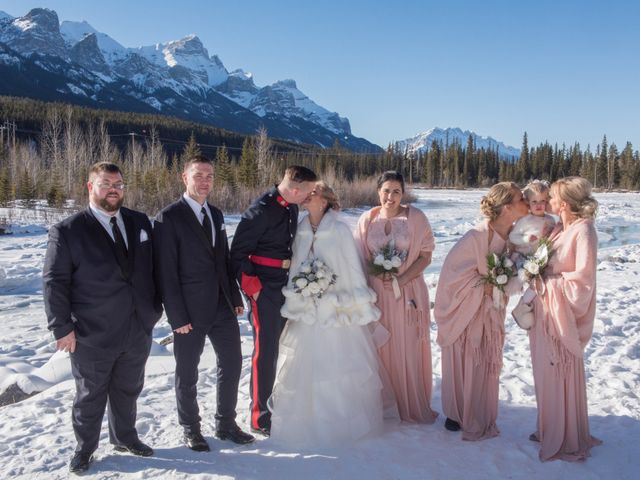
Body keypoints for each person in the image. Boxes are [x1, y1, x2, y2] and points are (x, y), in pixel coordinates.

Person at [43, 162, 163, 474]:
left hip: (137, 327)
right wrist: (61, 327)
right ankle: (85, 449)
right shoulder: (67, 231)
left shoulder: (139, 222)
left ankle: (125, 437)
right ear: (90, 187)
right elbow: (55, 282)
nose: (114, 189)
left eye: (119, 184)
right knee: (90, 395)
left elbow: (154, 269)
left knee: (128, 388)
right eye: (106, 183)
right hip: (91, 332)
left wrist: (154, 310)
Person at [269, 182, 384, 447]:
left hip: (334, 309)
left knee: (336, 363)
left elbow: (351, 268)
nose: (307, 196)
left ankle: (339, 424)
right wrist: (302, 288)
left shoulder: (340, 230)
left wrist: (344, 295)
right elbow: (296, 264)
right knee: (303, 365)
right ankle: (304, 421)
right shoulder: (299, 228)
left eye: (313, 193)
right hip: (307, 309)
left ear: (325, 200)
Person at [153, 156, 253, 451]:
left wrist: (235, 297)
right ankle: (191, 428)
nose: (205, 181)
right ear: (184, 177)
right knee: (187, 371)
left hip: (222, 305)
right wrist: (176, 316)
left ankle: (225, 423)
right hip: (189, 311)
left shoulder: (217, 215)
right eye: (198, 175)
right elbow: (165, 272)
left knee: (232, 362)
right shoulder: (168, 217)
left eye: (209, 175)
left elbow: (222, 260)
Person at [434, 182, 528, 440]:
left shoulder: (513, 236)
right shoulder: (476, 236)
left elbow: (514, 268)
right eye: (521, 199)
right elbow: (451, 276)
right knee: (465, 354)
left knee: (485, 356)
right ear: (507, 207)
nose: (526, 202)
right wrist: (484, 287)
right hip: (465, 308)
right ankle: (456, 412)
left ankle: (479, 410)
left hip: (490, 309)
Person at [230, 165, 317, 436]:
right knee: (265, 352)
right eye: (308, 191)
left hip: (285, 285)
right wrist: (253, 290)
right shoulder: (260, 210)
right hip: (264, 290)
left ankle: (274, 402)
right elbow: (237, 254)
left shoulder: (290, 207)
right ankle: (260, 416)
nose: (310, 196)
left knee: (280, 349)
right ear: (294, 189)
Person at [528, 176, 602, 461]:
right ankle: (549, 428)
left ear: (567, 203)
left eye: (554, 198)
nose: (548, 202)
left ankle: (566, 436)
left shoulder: (584, 231)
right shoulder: (560, 228)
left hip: (562, 318)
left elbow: (583, 282)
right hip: (544, 313)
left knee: (557, 372)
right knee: (544, 374)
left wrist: (548, 282)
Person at [354, 171, 438, 424]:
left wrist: (402, 279)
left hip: (408, 290)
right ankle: (383, 403)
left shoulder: (416, 217)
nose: (390, 197)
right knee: (380, 345)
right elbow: (358, 257)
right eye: (386, 191)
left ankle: (409, 403)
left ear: (403, 193)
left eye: (396, 191)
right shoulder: (367, 219)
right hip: (376, 293)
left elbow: (425, 255)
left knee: (407, 344)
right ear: (378, 191)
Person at [509, 179, 556, 256]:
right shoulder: (524, 219)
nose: (538, 205)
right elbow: (512, 236)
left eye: (542, 201)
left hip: (542, 257)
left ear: (547, 201)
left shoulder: (551, 219)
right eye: (534, 201)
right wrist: (526, 238)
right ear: (528, 202)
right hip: (523, 256)